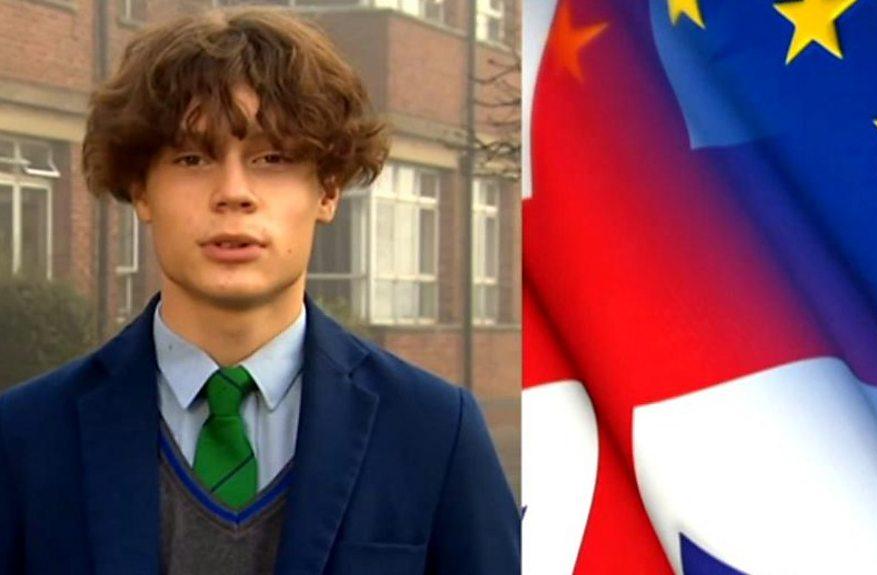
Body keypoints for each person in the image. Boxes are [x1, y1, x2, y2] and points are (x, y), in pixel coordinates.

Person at [0, 8, 520, 574]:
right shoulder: (26, 439)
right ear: (141, 190)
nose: (233, 192)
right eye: (192, 157)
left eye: (272, 158)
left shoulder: (436, 432)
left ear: (327, 191)